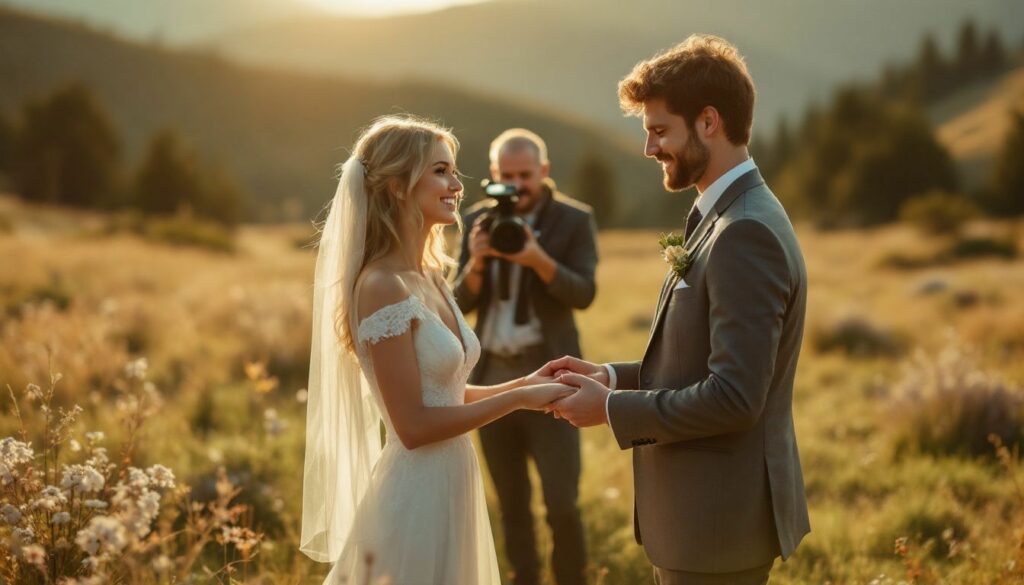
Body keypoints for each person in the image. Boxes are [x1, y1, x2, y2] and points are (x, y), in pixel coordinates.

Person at [545, 35, 811, 585]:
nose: (648, 148)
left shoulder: (746, 232)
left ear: (709, 122)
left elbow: (736, 397)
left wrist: (613, 408)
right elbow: (698, 361)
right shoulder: (724, 214)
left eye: (659, 130)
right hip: (701, 524)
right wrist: (610, 377)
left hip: (715, 530)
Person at [300, 115, 574, 585]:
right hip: (416, 495)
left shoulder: (429, 275)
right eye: (441, 171)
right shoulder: (381, 285)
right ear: (398, 187)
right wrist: (517, 400)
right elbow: (413, 426)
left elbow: (446, 392)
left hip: (454, 482)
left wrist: (528, 382)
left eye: (454, 171)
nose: (457, 185)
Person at [453, 129, 597, 585]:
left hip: (551, 374)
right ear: (494, 176)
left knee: (561, 501)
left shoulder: (574, 220)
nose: (516, 184)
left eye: (525, 175)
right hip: (491, 376)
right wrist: (476, 263)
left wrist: (537, 258)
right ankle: (524, 577)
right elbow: (458, 305)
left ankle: (571, 578)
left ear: (544, 172)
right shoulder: (477, 218)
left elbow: (584, 293)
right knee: (511, 501)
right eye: (507, 175)